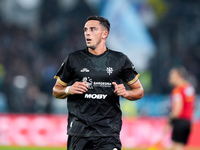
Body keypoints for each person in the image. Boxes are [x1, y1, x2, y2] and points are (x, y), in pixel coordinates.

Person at [52, 15, 144, 150]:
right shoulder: (73, 59)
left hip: (108, 133)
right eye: (85, 30)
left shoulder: (120, 59)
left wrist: (126, 93)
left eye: (93, 29)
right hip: (79, 133)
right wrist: (68, 90)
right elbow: (56, 90)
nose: (87, 33)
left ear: (104, 34)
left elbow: (139, 91)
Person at [168, 67, 196, 150]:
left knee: (177, 146)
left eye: (172, 76)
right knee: (180, 146)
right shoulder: (189, 88)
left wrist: (170, 120)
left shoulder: (177, 90)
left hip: (179, 121)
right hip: (188, 122)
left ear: (179, 76)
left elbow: (177, 108)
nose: (170, 78)